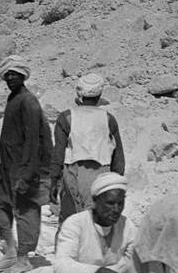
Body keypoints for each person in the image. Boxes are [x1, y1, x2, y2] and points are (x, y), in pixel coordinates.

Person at [28, 172, 140, 273]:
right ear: (95, 201)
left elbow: (134, 260)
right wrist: (97, 271)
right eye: (110, 203)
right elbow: (63, 263)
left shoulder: (127, 226)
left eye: (120, 204)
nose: (116, 209)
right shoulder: (75, 223)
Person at [0, 56, 54, 273]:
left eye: (15, 74)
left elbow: (34, 141)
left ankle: (24, 258)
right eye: (8, 74)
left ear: (23, 76)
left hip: (24, 167)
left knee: (26, 210)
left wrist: (27, 173)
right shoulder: (14, 98)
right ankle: (11, 250)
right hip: (8, 166)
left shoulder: (28, 101)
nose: (11, 78)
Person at [49, 73, 125, 226]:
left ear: (79, 93)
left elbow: (58, 154)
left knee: (69, 222)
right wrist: (116, 182)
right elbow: (118, 158)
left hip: (73, 174)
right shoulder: (108, 119)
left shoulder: (67, 117)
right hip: (102, 173)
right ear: (100, 94)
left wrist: (53, 182)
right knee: (97, 222)